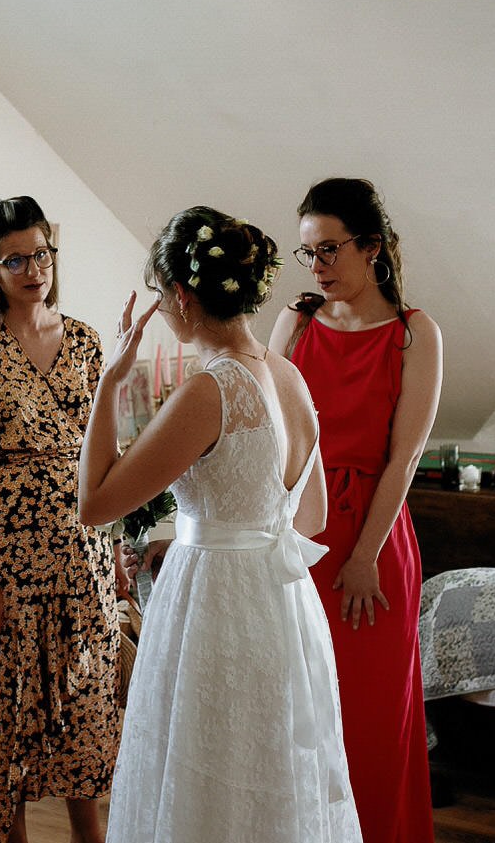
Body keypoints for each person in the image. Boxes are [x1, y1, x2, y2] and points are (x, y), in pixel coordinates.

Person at [79, 207, 360, 843]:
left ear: (181, 295)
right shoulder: (288, 376)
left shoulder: (212, 389)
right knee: (269, 771)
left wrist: (109, 381)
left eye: (159, 292)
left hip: (215, 605)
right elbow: (310, 516)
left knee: (207, 773)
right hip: (283, 605)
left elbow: (93, 505)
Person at [0, 196, 126, 843]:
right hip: (10, 549)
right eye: (17, 259)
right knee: (10, 701)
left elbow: (110, 456)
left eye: (41, 253)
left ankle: (88, 835)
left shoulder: (89, 341)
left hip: (85, 546)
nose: (34, 268)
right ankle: (8, 835)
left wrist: (116, 550)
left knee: (85, 694)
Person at [267, 177, 441, 843]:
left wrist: (365, 555)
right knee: (297, 713)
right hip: (294, 534)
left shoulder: (413, 334)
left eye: (331, 249)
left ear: (372, 247)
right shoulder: (296, 320)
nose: (318, 267)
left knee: (368, 718)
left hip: (373, 540)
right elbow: (263, 431)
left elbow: (404, 458)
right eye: (308, 252)